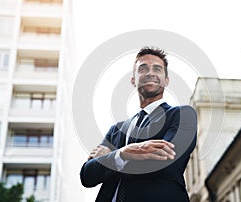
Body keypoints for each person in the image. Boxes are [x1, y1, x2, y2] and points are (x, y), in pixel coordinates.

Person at [80, 47, 197, 202]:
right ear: (133, 80)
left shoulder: (182, 114)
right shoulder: (116, 130)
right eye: (143, 68)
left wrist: (110, 159)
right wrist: (122, 154)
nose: (150, 73)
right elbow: (87, 176)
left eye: (157, 69)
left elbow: (166, 163)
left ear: (166, 80)